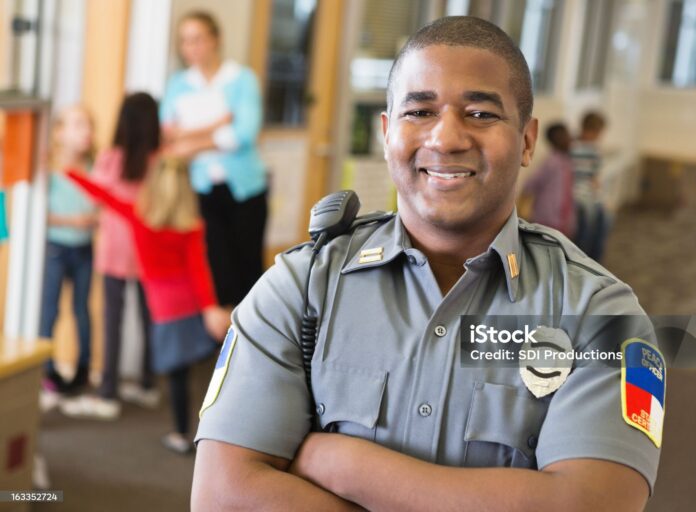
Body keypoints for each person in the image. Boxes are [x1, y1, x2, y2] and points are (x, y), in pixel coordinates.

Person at [191, 17, 664, 511]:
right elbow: (223, 497)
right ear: (386, 131)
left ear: (527, 140)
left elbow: (589, 505)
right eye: (419, 110)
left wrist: (339, 464)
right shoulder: (301, 285)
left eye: (480, 113)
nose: (446, 138)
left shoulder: (603, 315)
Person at [66, 159, 230, 454]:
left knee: (178, 378)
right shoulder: (192, 226)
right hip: (191, 306)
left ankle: (182, 435)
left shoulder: (138, 216)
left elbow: (102, 194)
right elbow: (199, 270)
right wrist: (209, 308)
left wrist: (69, 171)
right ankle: (219, 436)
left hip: (166, 312)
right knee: (207, 373)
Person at [60, 93, 161, 420]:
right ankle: (148, 384)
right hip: (150, 252)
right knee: (151, 319)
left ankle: (108, 392)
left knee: (112, 319)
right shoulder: (161, 160)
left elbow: (94, 195)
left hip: (116, 251)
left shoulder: (111, 159)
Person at [160, 10, 268, 309]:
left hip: (245, 189)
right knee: (212, 271)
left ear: (215, 40)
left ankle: (247, 349)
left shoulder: (242, 79)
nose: (191, 48)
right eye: (185, 41)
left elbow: (243, 134)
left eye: (197, 39)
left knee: (246, 272)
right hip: (200, 191)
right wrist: (219, 123)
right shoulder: (178, 85)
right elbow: (169, 137)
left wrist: (191, 141)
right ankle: (216, 352)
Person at [40, 105, 98, 394]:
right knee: (49, 310)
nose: (86, 132)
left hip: (85, 248)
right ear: (59, 133)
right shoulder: (49, 171)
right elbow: (37, 213)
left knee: (81, 311)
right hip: (55, 247)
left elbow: (103, 206)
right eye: (78, 125)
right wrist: (72, 220)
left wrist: (93, 219)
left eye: (88, 125)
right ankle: (46, 369)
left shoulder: (94, 169)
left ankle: (83, 369)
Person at [521, 122, 575, 238]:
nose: (570, 138)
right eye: (566, 135)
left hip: (563, 218)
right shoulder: (551, 162)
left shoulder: (566, 160)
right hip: (548, 218)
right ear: (556, 140)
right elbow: (530, 184)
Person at [572, 111, 609, 261]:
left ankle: (595, 260)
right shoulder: (573, 147)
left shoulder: (594, 150)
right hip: (574, 194)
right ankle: (581, 258)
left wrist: (600, 198)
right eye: (597, 132)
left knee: (604, 219)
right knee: (587, 221)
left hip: (588, 194)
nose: (598, 137)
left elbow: (595, 179)